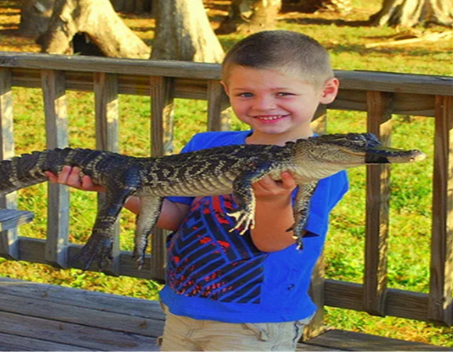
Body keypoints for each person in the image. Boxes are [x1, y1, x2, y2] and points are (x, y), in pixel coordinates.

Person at [46, 30, 349, 352]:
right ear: (226, 91)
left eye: (283, 94)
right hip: (184, 305)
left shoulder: (321, 169)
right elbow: (178, 218)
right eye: (246, 94)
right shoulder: (208, 144)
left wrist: (271, 200)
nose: (263, 105)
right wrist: (112, 186)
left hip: (253, 321)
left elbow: (272, 242)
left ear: (326, 90)